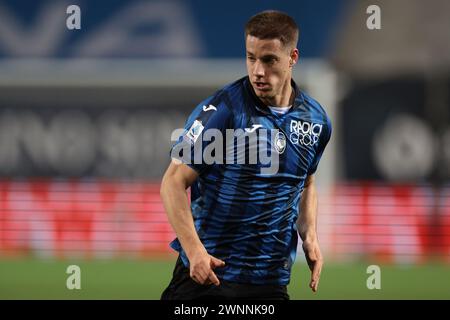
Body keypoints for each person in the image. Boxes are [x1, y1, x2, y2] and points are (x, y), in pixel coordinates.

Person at [160, 10, 332, 300]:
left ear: (293, 58)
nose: (258, 71)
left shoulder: (316, 121)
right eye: (251, 57)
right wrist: (195, 251)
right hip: (212, 277)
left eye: (268, 60)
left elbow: (306, 181)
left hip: (271, 281)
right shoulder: (223, 111)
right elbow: (173, 183)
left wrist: (310, 234)